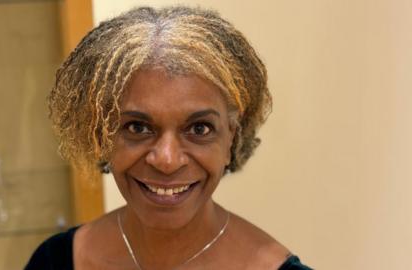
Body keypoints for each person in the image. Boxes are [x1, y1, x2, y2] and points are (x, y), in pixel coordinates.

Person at [25, 6, 312, 270]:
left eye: (199, 129)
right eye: (137, 127)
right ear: (102, 136)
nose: (167, 160)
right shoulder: (56, 262)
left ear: (230, 140)